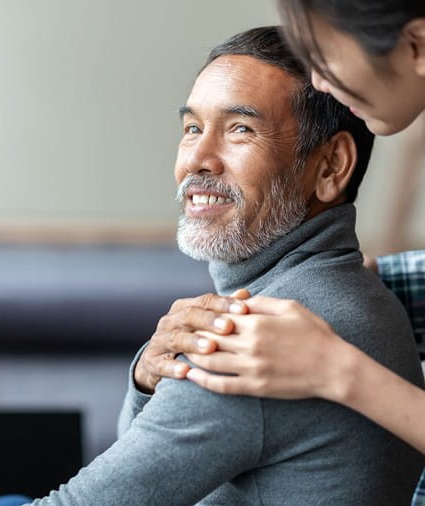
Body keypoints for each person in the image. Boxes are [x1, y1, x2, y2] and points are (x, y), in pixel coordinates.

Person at [0, 26, 424, 505]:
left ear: (331, 166)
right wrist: (148, 381)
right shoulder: (358, 297)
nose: (196, 159)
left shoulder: (259, 343)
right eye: (192, 128)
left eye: (240, 129)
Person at [132, 1, 425, 504]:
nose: (319, 78)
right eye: (192, 128)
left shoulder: (294, 347)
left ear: (417, 45)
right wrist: (344, 288)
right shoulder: (315, 301)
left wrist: (337, 366)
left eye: (326, 52)